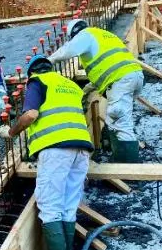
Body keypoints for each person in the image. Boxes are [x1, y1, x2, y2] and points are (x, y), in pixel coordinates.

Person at [2, 55, 92, 250]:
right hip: (81, 148)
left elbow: (31, 114)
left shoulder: (37, 82)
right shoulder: (70, 85)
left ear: (31, 72)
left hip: (56, 149)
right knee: (69, 203)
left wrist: (11, 132)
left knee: (49, 204)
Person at [48, 19, 143, 162]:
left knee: (119, 120)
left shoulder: (85, 35)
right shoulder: (103, 34)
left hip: (120, 80)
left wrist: (48, 60)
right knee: (115, 119)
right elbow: (105, 67)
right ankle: (118, 155)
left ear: (74, 33)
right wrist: (85, 91)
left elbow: (68, 50)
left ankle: (129, 167)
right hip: (134, 76)